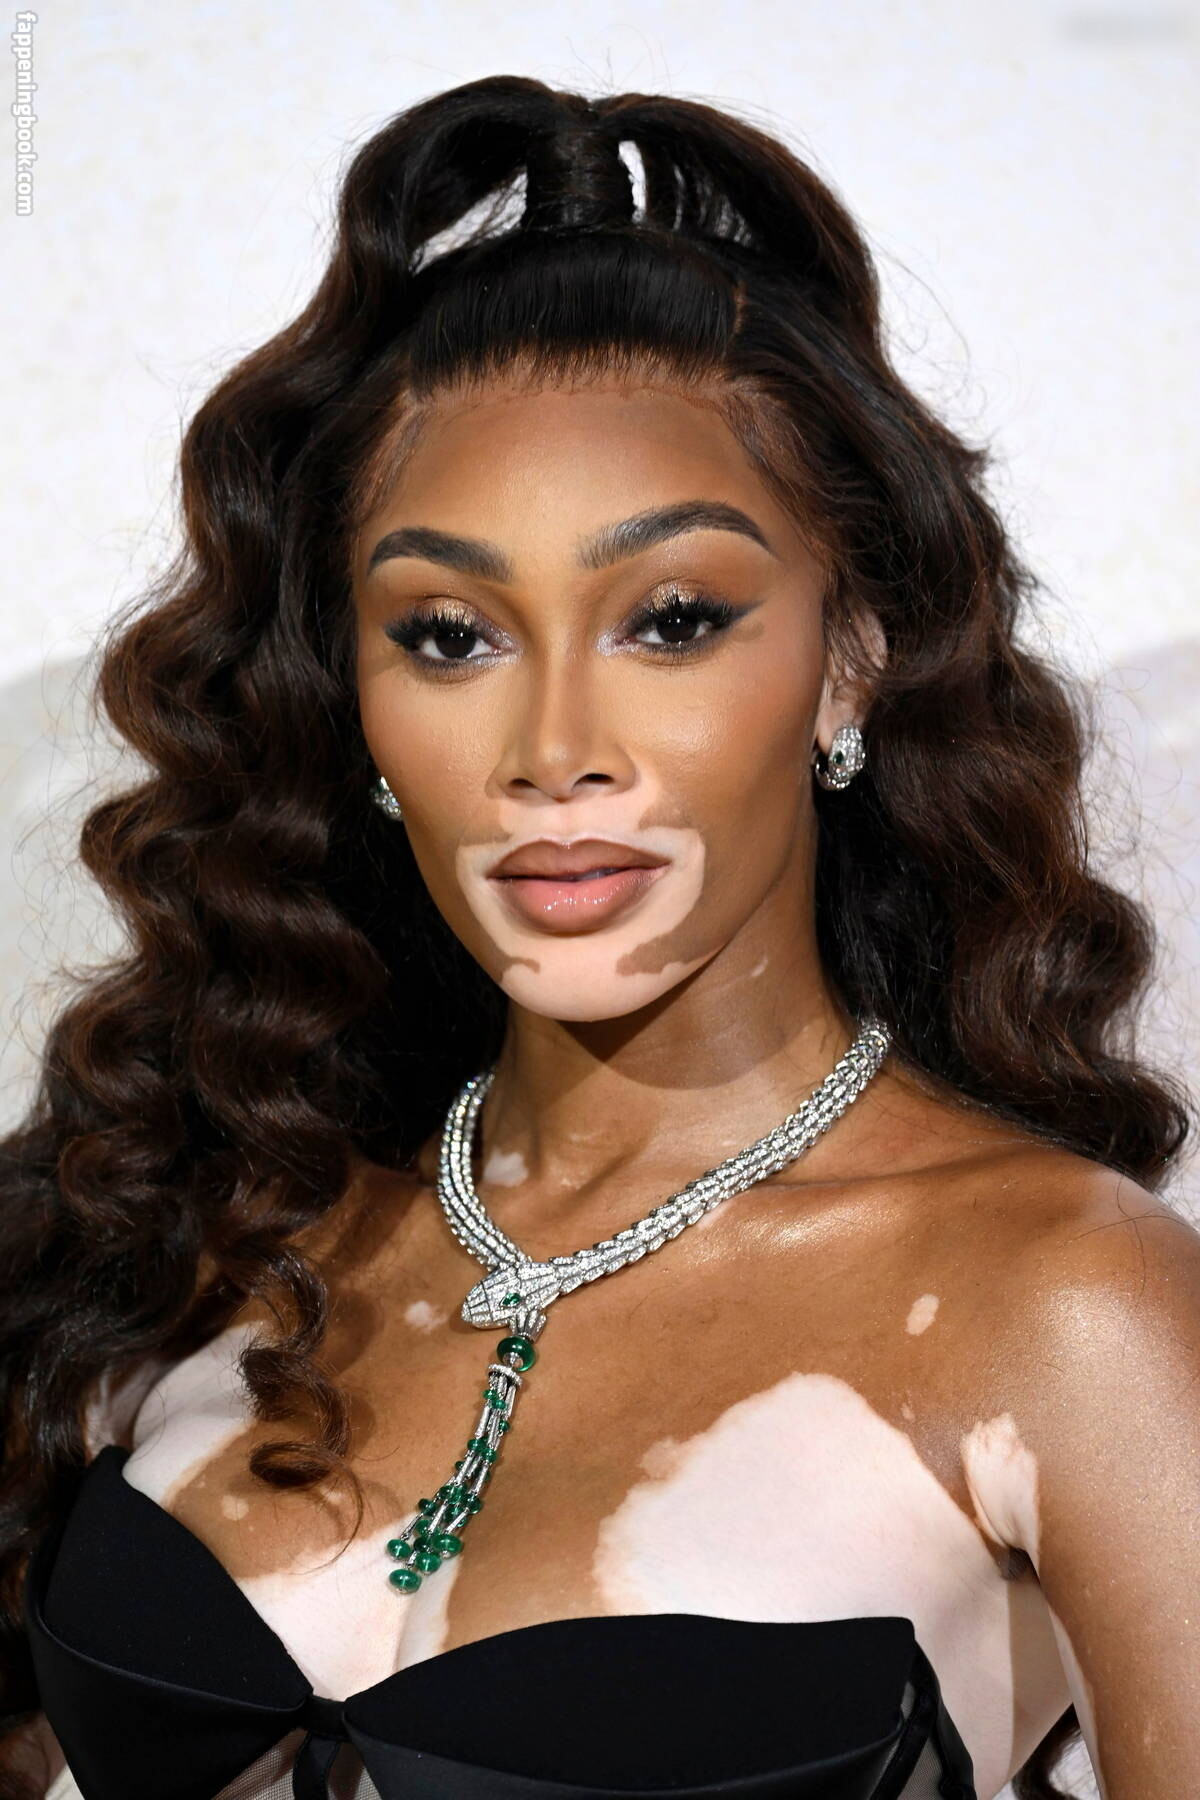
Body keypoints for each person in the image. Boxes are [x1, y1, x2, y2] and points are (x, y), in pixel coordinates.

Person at [1, 72, 1197, 1800]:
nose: (556, 748)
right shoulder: (217, 1212)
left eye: (673, 618)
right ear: (355, 700)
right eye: (448, 636)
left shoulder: (1071, 1310)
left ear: (852, 658)